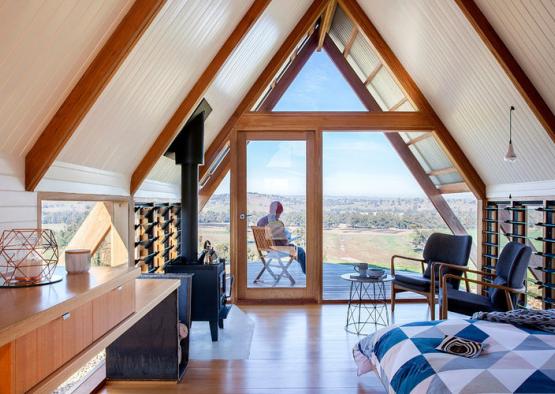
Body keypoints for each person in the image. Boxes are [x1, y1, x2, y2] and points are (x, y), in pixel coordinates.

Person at [257, 201, 306, 275]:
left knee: (295, 251)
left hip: (266, 249)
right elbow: (284, 242)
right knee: (301, 251)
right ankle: (308, 273)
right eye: (279, 213)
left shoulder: (260, 221)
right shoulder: (275, 223)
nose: (279, 216)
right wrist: (288, 240)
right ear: (277, 212)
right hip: (277, 250)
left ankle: (305, 269)